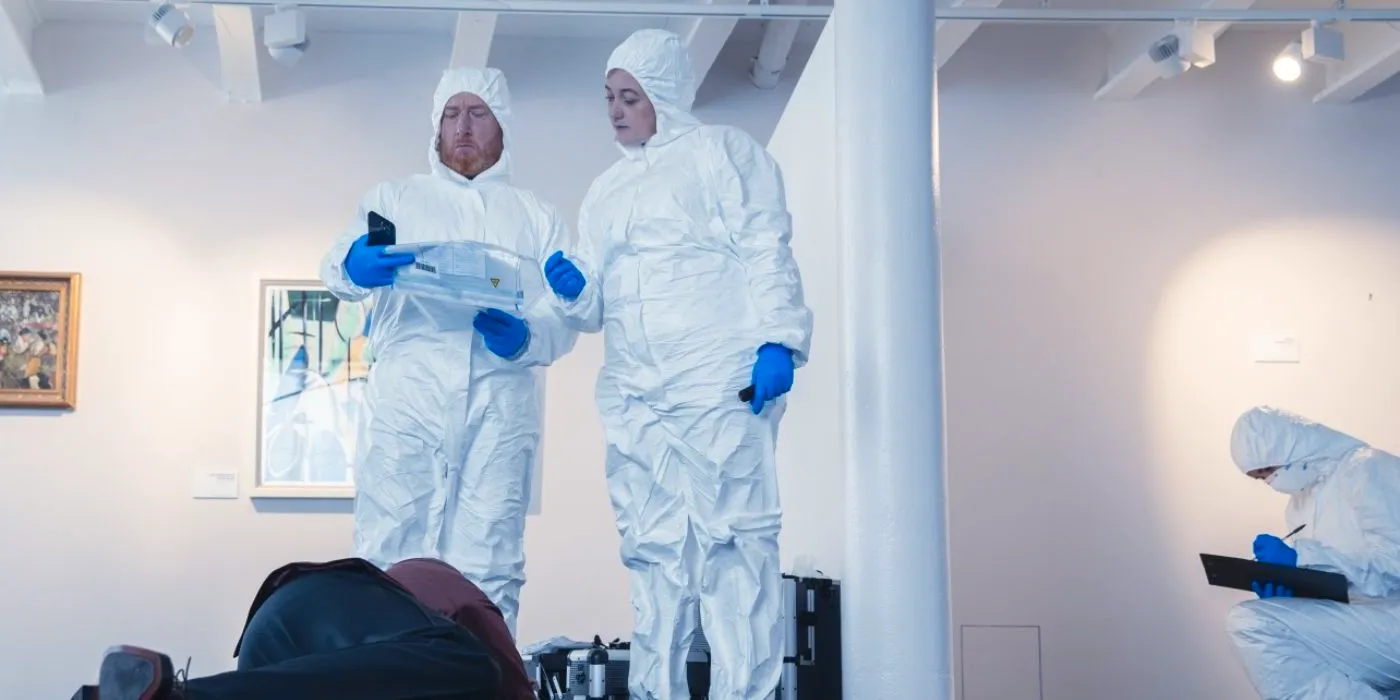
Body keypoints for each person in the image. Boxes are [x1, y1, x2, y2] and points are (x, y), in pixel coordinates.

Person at [542, 28, 813, 700]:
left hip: (720, 382)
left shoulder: (725, 154)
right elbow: (594, 304)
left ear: (662, 92)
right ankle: (655, 692)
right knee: (653, 552)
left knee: (735, 547)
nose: (615, 109)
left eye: (629, 96)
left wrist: (779, 339)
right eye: (608, 96)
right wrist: (572, 289)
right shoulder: (604, 190)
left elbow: (766, 247)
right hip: (637, 393)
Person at [319, 66, 577, 635]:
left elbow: (567, 312)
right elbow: (340, 271)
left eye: (478, 112)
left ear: (502, 126)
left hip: (500, 398)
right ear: (435, 127)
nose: (463, 126)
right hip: (409, 395)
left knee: (491, 559)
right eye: (451, 113)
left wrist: (528, 338)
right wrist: (354, 266)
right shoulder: (394, 199)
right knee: (391, 548)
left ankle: (486, 686)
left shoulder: (536, 218)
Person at [75, 556, 536, 700]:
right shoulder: (469, 609)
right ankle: (183, 696)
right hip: (305, 620)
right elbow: (510, 682)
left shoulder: (406, 611)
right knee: (476, 667)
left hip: (286, 630)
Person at [1225, 406, 1400, 699]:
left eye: (1268, 470)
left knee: (1251, 623)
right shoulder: (1298, 508)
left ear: (1291, 446)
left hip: (1392, 617)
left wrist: (1301, 559)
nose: (1269, 482)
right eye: (1259, 478)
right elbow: (1344, 583)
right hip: (1366, 621)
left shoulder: (1369, 469)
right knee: (1284, 639)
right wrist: (1295, 590)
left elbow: (1394, 565)